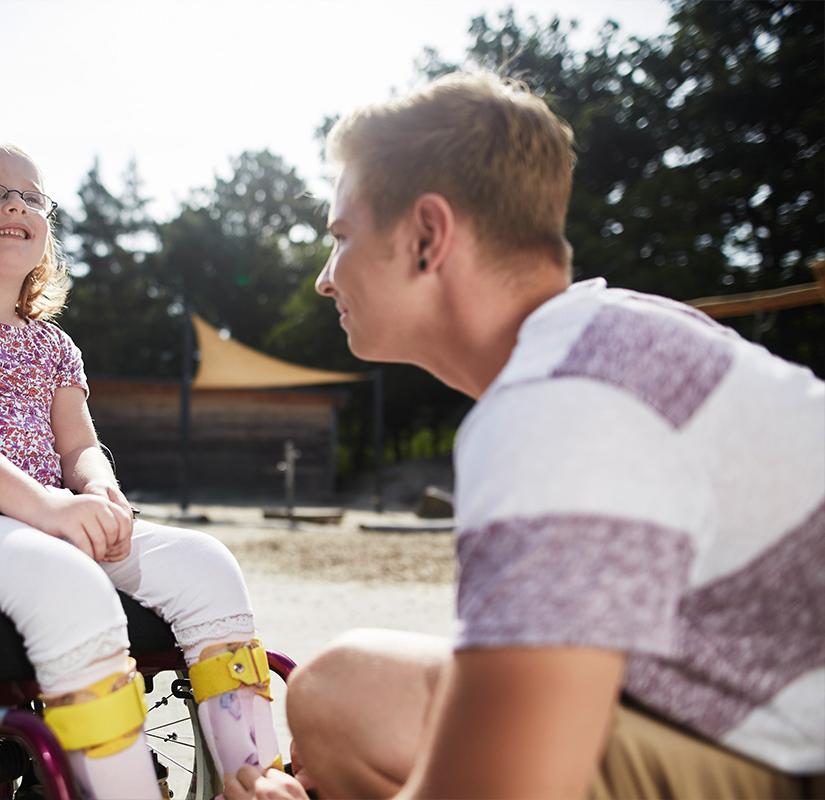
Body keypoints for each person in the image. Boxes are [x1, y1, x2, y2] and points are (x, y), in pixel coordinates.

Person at [226, 71, 825, 800]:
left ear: (426, 237)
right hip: (773, 721)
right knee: (341, 695)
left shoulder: (556, 407)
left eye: (342, 237)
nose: (326, 278)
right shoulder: (616, 338)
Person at [0, 140, 284, 800]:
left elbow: (80, 446)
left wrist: (100, 493)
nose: (16, 203)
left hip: (54, 517)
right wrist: (48, 509)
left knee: (206, 563)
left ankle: (252, 777)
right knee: (68, 584)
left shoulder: (55, 344)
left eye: (32, 197)